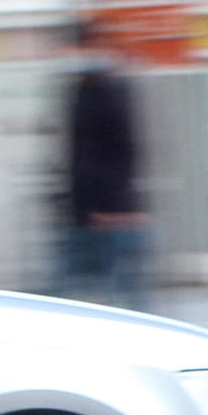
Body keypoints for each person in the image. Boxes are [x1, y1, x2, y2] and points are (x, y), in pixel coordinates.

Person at [60, 22, 149, 312]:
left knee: (116, 293)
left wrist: (112, 207)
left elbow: (122, 151)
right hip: (90, 210)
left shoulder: (109, 92)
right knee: (98, 292)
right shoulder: (85, 90)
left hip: (109, 213)